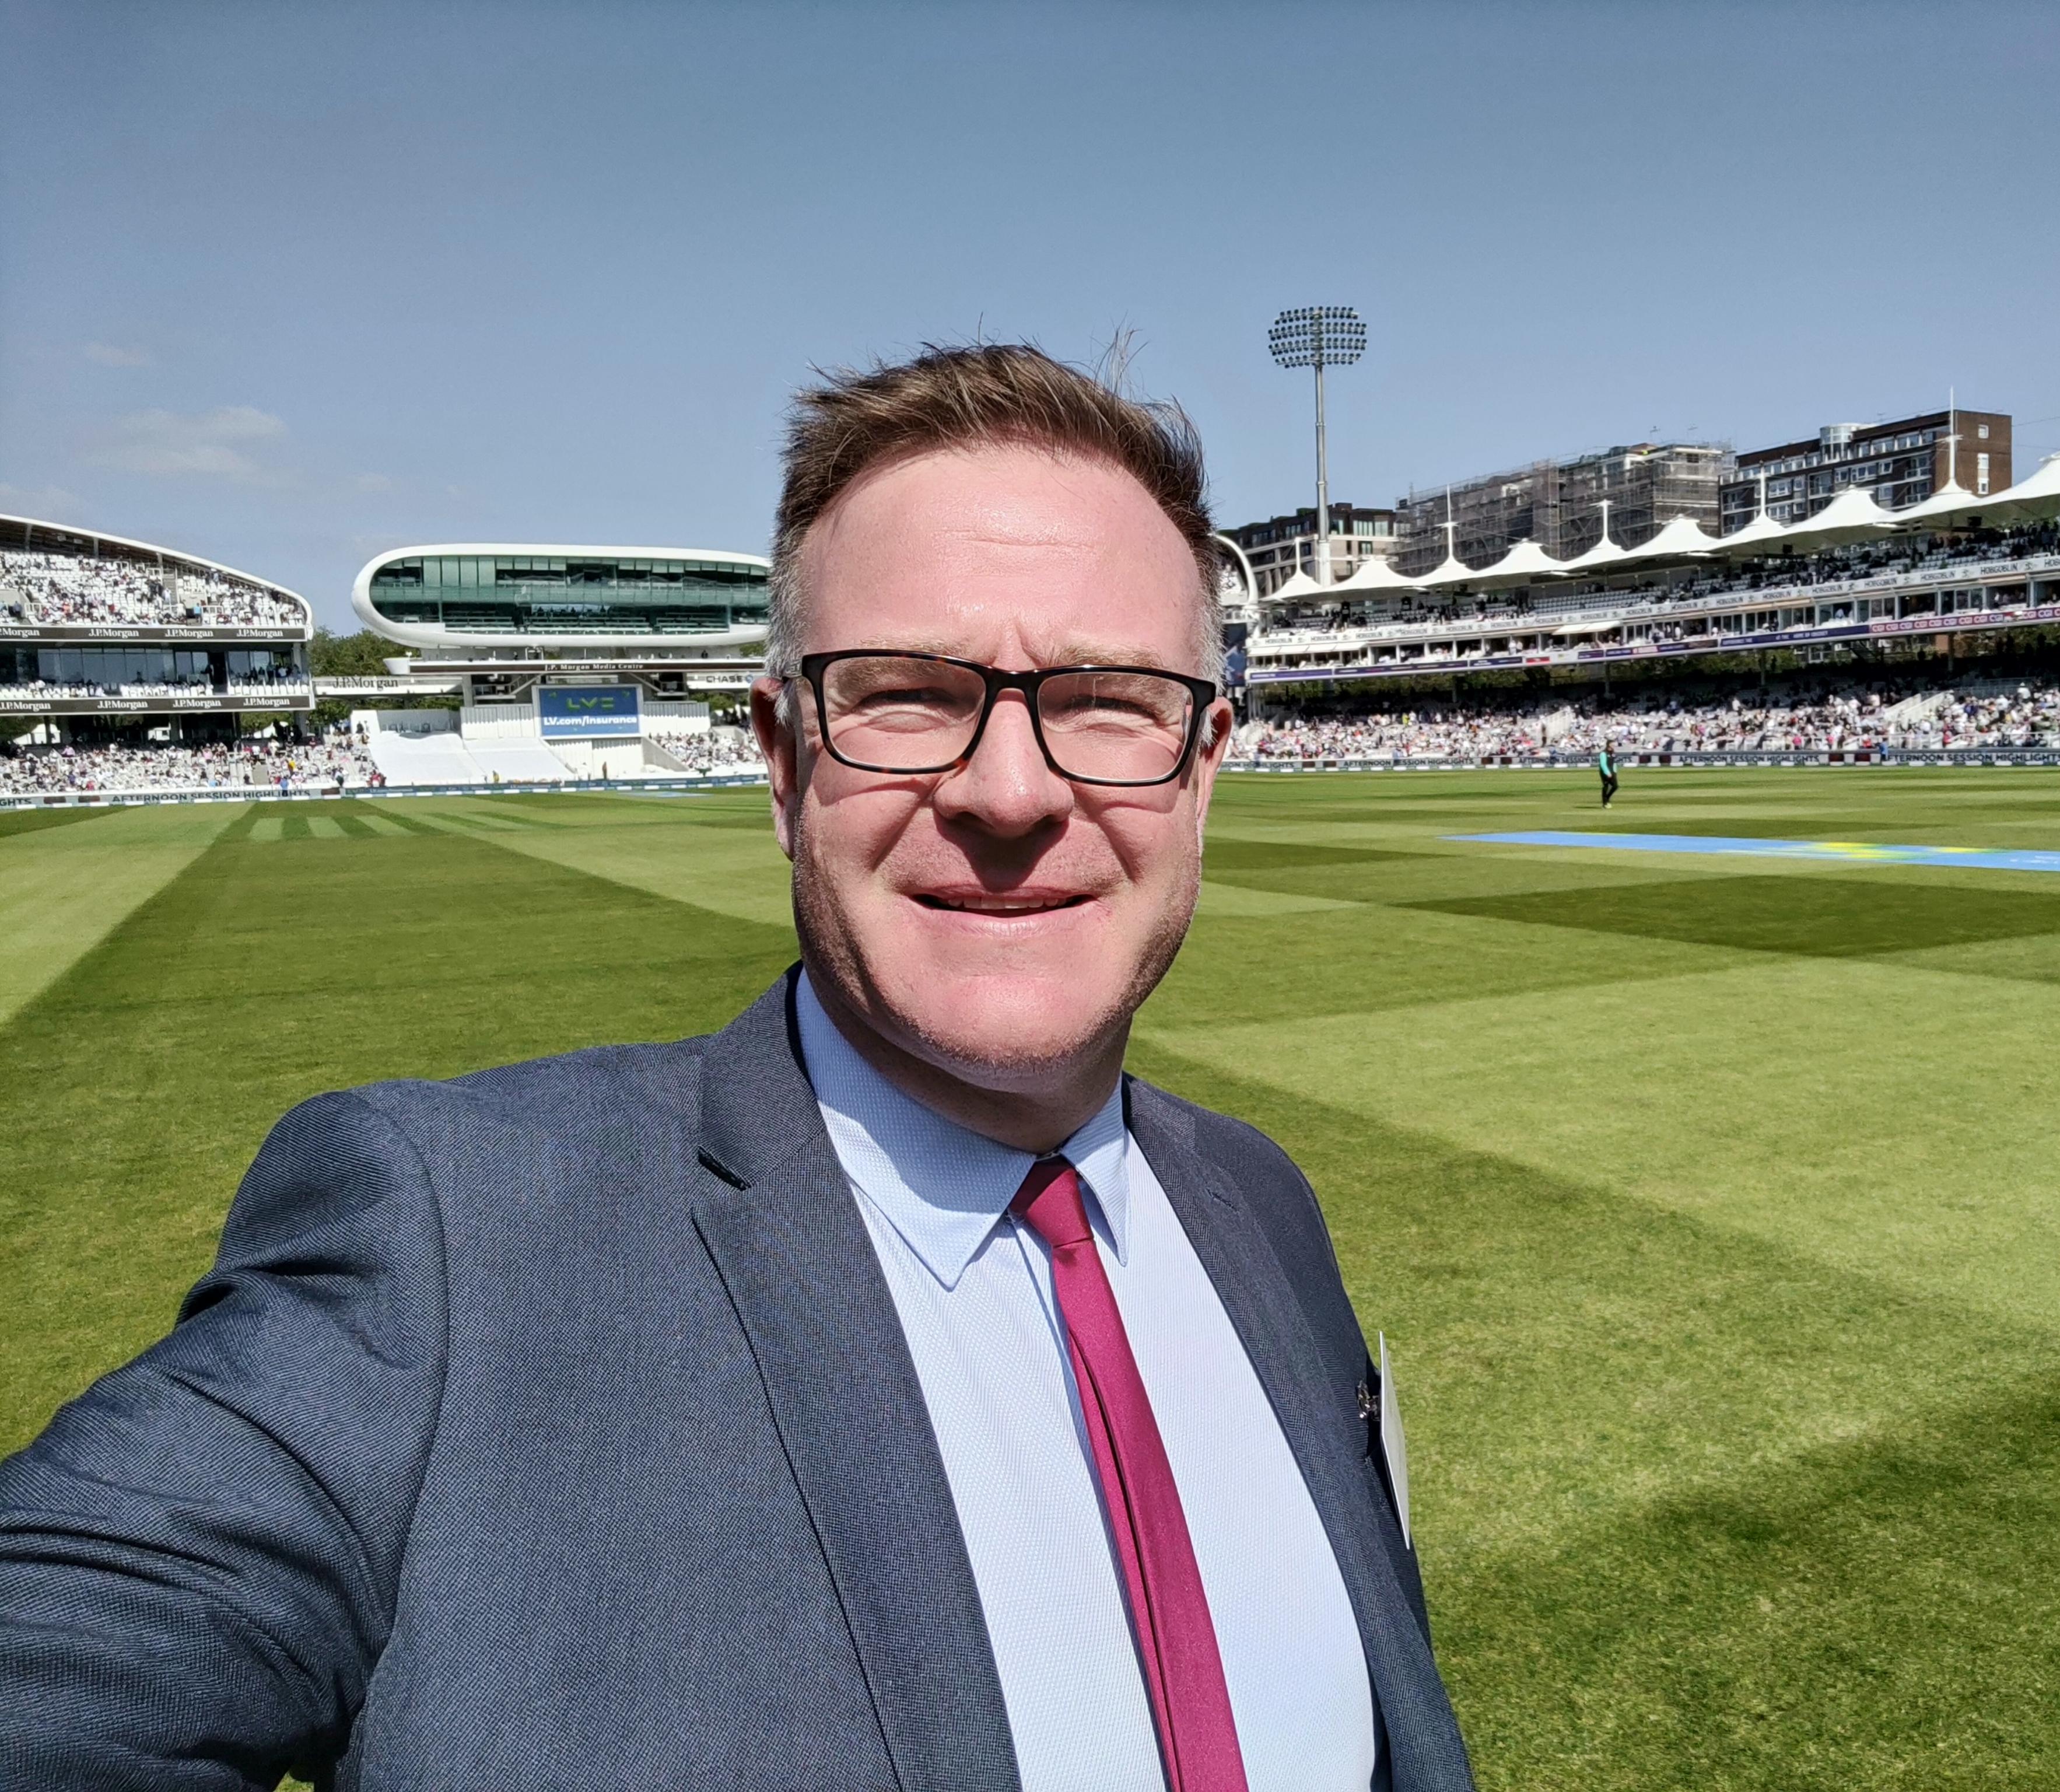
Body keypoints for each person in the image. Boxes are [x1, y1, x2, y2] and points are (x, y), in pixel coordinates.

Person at [0, 345, 1473, 1792]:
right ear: (781, 759)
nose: (1011, 792)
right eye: (905, 691)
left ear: (1203, 761)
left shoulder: (1261, 1204)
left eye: (1106, 696)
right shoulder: (443, 1249)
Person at [1597, 741, 1618, 807]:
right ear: (1609, 745)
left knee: (1615, 786)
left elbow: (1614, 763)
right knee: (1606, 786)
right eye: (1613, 744)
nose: (1614, 745)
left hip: (1612, 771)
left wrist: (1615, 771)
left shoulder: (1613, 753)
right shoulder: (1603, 753)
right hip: (1605, 772)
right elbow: (1603, 764)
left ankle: (1607, 798)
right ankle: (1605, 803)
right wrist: (1607, 772)